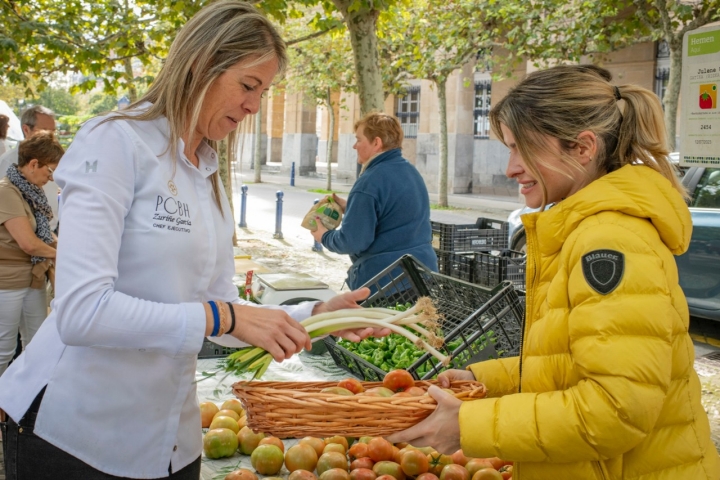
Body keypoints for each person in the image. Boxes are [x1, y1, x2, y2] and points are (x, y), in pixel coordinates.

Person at [0, 3, 387, 479]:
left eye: (263, 92)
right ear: (202, 64)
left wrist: (312, 317)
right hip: (78, 435)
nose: (253, 107)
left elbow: (219, 309)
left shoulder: (208, 172)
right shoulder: (116, 142)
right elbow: (83, 312)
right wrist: (224, 314)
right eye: (248, 86)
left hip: (170, 442)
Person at [387, 65, 720, 479]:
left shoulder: (609, 240)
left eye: (520, 149)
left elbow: (614, 411)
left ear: (582, 148)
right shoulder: (585, 229)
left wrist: (468, 425)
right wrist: (484, 379)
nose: (510, 168)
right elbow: (572, 364)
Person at [311, 112, 437, 290]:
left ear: (376, 143)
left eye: (359, 140)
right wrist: (352, 208)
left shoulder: (369, 181)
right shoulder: (410, 171)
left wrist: (323, 236)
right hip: (422, 274)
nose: (354, 146)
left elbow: (352, 241)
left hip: (386, 283)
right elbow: (394, 214)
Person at [0, 131, 62, 378]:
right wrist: (64, 255)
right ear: (34, 163)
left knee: (37, 346)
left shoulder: (31, 192)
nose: (51, 179)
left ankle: (23, 405)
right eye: (50, 172)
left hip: (34, 277)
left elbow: (45, 237)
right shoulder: (6, 191)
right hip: (9, 281)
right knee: (4, 350)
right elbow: (29, 244)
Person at [0, 105, 60, 232]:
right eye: (44, 131)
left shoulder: (56, 158)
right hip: (22, 240)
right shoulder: (6, 163)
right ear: (26, 129)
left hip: (52, 231)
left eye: (53, 131)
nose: (51, 137)